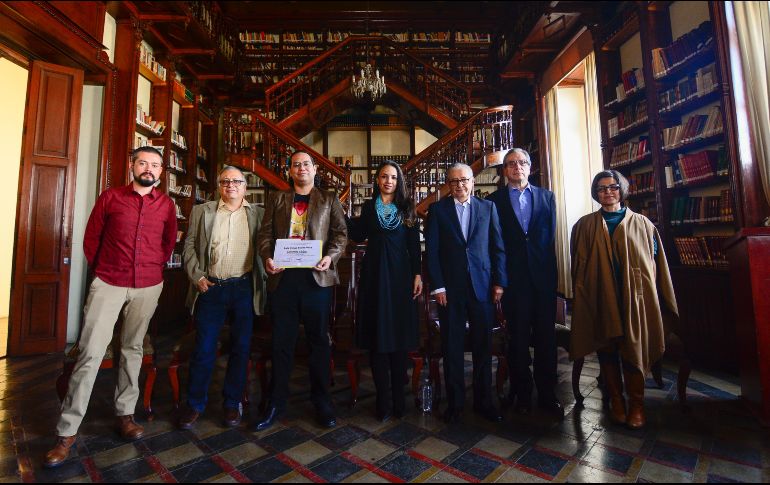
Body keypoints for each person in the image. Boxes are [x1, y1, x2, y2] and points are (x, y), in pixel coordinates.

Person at [45, 146, 177, 468]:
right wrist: (104, 272)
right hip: (109, 282)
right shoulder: (111, 198)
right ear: (132, 166)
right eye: (143, 162)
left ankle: (125, 415)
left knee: (132, 348)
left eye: (155, 165)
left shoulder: (167, 205)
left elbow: (168, 243)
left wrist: (152, 268)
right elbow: (92, 239)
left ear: (161, 172)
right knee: (90, 352)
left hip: (147, 284)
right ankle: (67, 432)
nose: (149, 168)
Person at [570, 170, 678, 429]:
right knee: (606, 349)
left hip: (635, 297)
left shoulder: (643, 224)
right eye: (601, 188)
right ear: (595, 193)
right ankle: (617, 400)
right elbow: (578, 266)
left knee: (634, 349)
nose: (608, 192)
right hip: (600, 295)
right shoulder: (584, 225)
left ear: (622, 189)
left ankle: (637, 405)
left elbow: (654, 265)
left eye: (613, 187)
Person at [254, 150, 348, 430]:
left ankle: (322, 401)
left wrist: (331, 257)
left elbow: (341, 234)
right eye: (296, 165)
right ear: (290, 171)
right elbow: (264, 234)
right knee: (282, 342)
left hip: (316, 280)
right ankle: (276, 402)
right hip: (283, 280)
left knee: (319, 341)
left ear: (315, 169)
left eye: (306, 164)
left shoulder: (329, 199)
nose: (301, 168)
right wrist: (267, 258)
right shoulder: (278, 198)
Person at [177, 166, 267, 429]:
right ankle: (194, 404)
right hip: (211, 287)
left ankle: (232, 403)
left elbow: (267, 246)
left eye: (236, 181)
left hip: (243, 288)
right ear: (218, 186)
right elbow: (190, 247)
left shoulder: (258, 214)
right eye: (225, 181)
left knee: (241, 348)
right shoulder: (201, 211)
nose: (231, 185)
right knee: (204, 348)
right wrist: (197, 277)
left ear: (245, 186)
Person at [425, 162, 507, 424]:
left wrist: (499, 283)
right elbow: (433, 253)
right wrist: (438, 286)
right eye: (454, 181)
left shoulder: (488, 208)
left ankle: (484, 402)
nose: (460, 185)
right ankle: (455, 404)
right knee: (452, 347)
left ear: (473, 182)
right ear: (448, 185)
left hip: (482, 287)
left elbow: (497, 248)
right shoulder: (438, 211)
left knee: (483, 347)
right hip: (450, 290)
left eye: (464, 180)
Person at [487, 148, 563, 418]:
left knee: (546, 339)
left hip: (542, 281)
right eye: (511, 164)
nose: (517, 167)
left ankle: (547, 394)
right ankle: (521, 392)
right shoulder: (493, 201)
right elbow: (494, 245)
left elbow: (548, 240)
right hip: (513, 282)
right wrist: (500, 280)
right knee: (517, 341)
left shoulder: (547, 197)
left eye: (522, 163)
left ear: (530, 167)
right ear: (505, 170)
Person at [348, 160, 422, 422]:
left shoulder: (407, 207)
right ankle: (382, 401)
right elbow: (356, 234)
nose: (388, 181)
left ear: (398, 180)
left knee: (399, 339)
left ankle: (399, 400)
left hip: (401, 277)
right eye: (383, 176)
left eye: (393, 177)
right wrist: (337, 211)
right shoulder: (369, 208)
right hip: (374, 277)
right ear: (377, 180)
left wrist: (417, 274)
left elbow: (414, 245)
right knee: (378, 339)